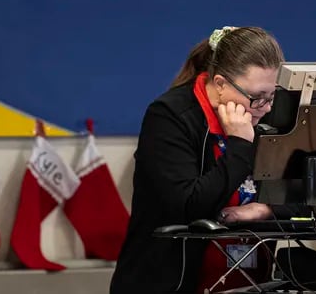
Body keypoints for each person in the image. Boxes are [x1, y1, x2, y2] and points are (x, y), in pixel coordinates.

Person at [110, 26, 297, 294]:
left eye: (272, 95)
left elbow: (310, 198)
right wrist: (241, 145)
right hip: (170, 283)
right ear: (220, 84)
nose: (265, 108)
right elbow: (189, 204)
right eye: (256, 98)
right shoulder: (170, 117)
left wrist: (265, 210)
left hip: (251, 281)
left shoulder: (265, 116)